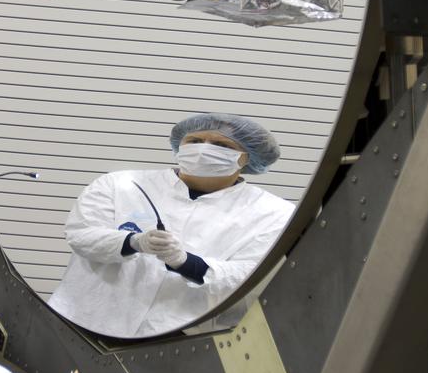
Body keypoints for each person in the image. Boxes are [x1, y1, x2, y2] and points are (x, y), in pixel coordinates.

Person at [49, 112, 293, 339]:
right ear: (179, 146)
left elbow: (252, 276)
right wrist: (132, 242)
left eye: (222, 146)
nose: (203, 150)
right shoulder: (120, 184)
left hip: (177, 340)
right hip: (82, 321)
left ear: (247, 158)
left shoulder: (274, 213)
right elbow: (81, 235)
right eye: (195, 140)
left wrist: (187, 263)